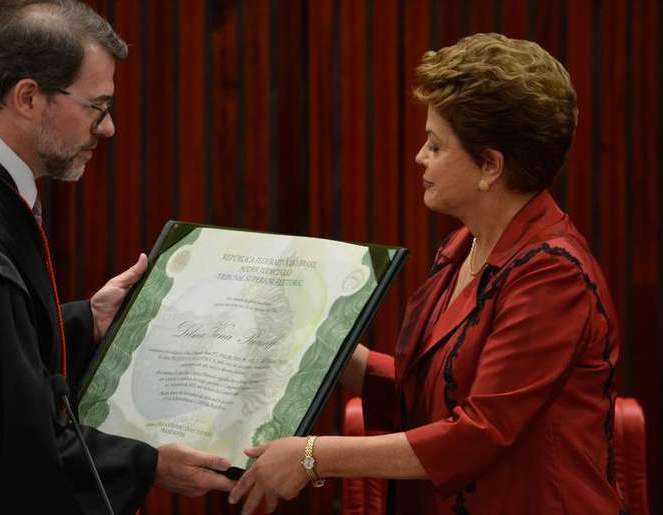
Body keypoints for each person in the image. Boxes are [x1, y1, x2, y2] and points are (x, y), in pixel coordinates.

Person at [228, 33, 626, 514]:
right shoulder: (464, 247)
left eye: (436, 145)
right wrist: (315, 343)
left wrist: (313, 456)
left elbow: (479, 431)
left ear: (490, 166)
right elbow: (432, 395)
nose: (420, 156)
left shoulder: (552, 274)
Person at [0, 1, 234, 513]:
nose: (109, 128)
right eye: (97, 107)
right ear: (28, 97)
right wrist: (147, 465)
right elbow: (3, 452)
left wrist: (85, 322)